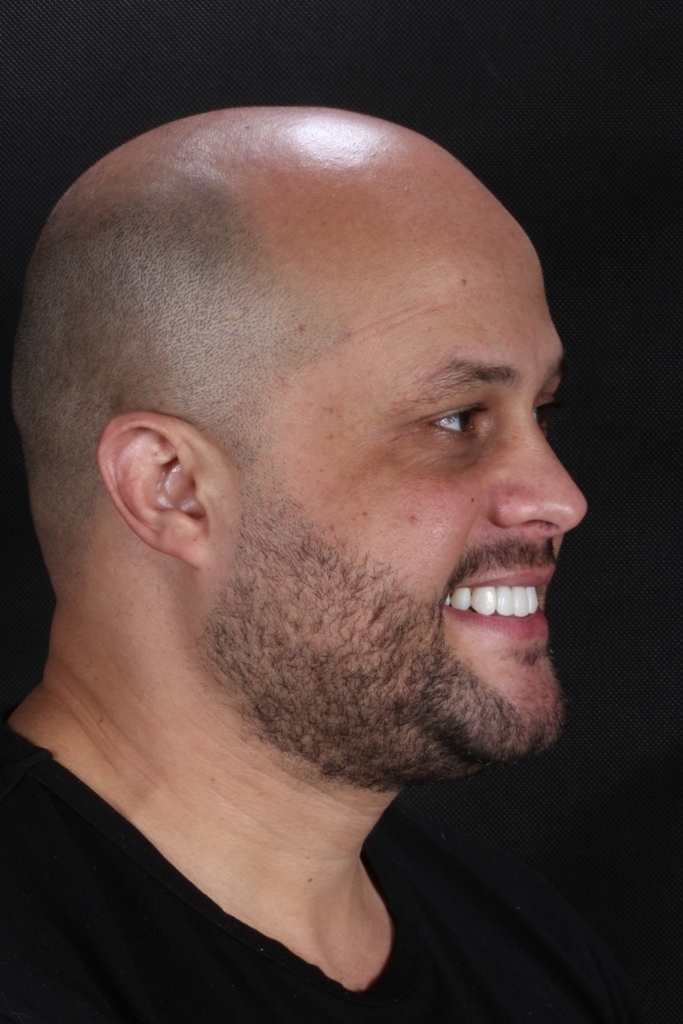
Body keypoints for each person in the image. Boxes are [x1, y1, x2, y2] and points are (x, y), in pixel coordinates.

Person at [1, 107, 640, 1023]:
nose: (560, 498)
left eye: (541, 413)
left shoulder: (527, 949)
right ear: (171, 487)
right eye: (455, 419)